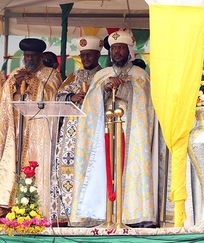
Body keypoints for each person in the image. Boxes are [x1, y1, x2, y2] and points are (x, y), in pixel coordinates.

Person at [71, 30, 155, 226]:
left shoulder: (140, 75)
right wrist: (104, 88)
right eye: (114, 48)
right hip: (106, 128)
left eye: (121, 48)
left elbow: (147, 105)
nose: (117, 52)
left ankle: (132, 213)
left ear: (129, 51)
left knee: (128, 167)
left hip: (131, 130)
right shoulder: (102, 75)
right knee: (105, 166)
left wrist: (127, 88)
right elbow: (89, 104)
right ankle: (101, 213)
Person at [0, 38, 61, 217]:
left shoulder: (50, 73)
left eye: (33, 56)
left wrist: (33, 81)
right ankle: (9, 204)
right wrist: (15, 84)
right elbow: (5, 97)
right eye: (27, 56)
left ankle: (34, 208)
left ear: (41, 56)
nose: (29, 59)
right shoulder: (17, 72)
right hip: (18, 127)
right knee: (13, 161)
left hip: (38, 130)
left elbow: (51, 94)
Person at [50, 36, 103, 224]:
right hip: (71, 132)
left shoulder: (103, 76)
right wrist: (72, 96)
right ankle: (67, 213)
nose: (86, 58)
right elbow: (58, 97)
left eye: (90, 55)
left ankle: (90, 214)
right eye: (83, 55)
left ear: (98, 55)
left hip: (94, 130)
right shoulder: (74, 76)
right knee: (67, 169)